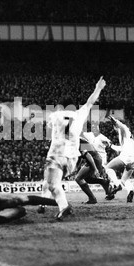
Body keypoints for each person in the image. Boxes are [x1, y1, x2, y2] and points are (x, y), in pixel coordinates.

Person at [39, 76, 106, 220]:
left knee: (53, 184)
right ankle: (42, 203)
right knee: (48, 180)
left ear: (60, 106)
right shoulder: (79, 114)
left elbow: (49, 127)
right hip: (72, 159)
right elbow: (90, 102)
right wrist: (98, 88)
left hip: (56, 155)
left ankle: (64, 207)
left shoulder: (55, 115)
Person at [104, 116, 134, 203]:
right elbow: (122, 148)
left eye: (114, 127)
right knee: (124, 180)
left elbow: (122, 126)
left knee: (108, 168)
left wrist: (115, 121)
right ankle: (130, 191)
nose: (114, 128)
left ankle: (117, 185)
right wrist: (111, 146)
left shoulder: (125, 130)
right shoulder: (128, 138)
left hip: (126, 157)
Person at [72, 137, 111, 204]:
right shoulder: (78, 139)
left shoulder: (76, 141)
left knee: (78, 178)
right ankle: (103, 182)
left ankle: (92, 198)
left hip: (94, 160)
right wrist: (76, 168)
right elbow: (81, 157)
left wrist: (95, 169)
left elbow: (88, 155)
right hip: (96, 158)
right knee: (87, 179)